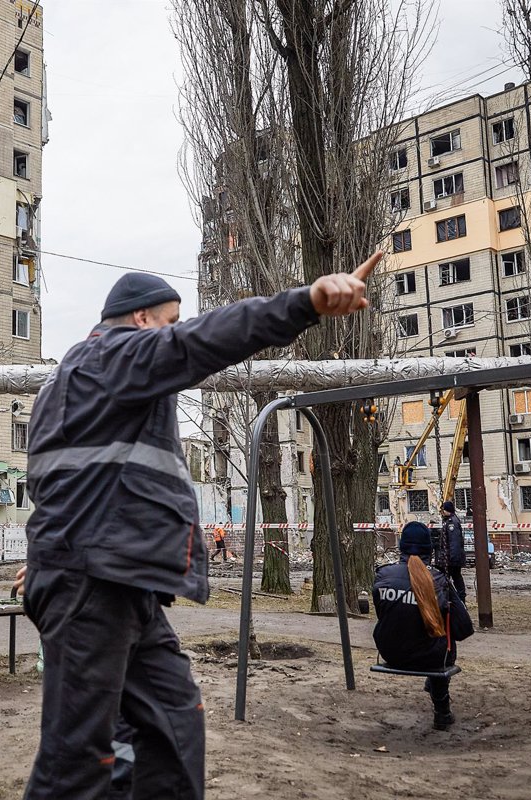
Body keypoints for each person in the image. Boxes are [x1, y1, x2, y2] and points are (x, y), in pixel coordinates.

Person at [21, 253, 380, 798]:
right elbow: (199, 342)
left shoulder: (88, 384)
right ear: (142, 321)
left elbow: (68, 484)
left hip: (118, 582)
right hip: (91, 583)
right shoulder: (110, 356)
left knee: (172, 721)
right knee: (77, 759)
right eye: (168, 321)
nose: (172, 335)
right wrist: (304, 303)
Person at [372, 521, 474, 730]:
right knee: (443, 639)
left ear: (402, 547)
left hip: (390, 653)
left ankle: (436, 689)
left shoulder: (383, 575)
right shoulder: (438, 579)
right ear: (429, 549)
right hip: (430, 658)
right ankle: (442, 710)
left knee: (416, 630)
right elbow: (464, 628)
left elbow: (383, 612)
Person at [441, 501, 466, 602]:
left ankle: (458, 598)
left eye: (443, 509)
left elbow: (454, 541)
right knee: (455, 577)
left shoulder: (452, 523)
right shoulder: (450, 520)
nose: (442, 512)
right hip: (451, 556)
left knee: (454, 578)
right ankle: (458, 598)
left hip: (452, 558)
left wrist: (453, 558)